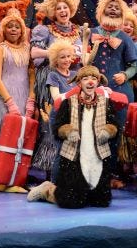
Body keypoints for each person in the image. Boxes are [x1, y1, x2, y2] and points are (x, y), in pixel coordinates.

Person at [31, 0, 83, 174]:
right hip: (51, 79)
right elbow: (34, 54)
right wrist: (56, 54)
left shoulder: (78, 31)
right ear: (53, 11)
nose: (63, 11)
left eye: (65, 7)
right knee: (51, 122)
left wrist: (78, 56)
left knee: (72, 122)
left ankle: (71, 167)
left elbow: (83, 56)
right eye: (59, 8)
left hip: (72, 79)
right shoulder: (44, 30)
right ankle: (50, 170)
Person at [47, 66, 119, 208]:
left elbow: (114, 124)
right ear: (79, 82)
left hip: (97, 154)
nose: (90, 82)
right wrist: (68, 131)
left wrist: (108, 131)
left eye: (94, 79)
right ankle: (46, 191)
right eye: (85, 79)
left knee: (100, 202)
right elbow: (58, 127)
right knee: (71, 202)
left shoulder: (106, 102)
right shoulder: (68, 102)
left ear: (98, 82)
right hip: (74, 155)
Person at [85, 0, 137, 188]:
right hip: (92, 90)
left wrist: (125, 75)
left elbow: (133, 66)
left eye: (117, 8)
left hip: (119, 92)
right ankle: (92, 172)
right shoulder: (90, 33)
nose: (113, 10)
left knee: (115, 132)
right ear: (101, 10)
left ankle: (113, 173)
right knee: (91, 131)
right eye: (110, 7)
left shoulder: (124, 38)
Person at [0, 9, 36, 193]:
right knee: (0, 136)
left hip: (23, 96)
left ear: (22, 30)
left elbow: (31, 75)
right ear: (4, 29)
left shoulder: (27, 49)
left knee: (19, 138)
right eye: (10, 26)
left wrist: (31, 98)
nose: (14, 30)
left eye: (17, 27)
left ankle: (15, 179)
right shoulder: (0, 49)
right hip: (2, 97)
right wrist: (9, 101)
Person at [45, 40, 78, 182]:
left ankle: (70, 182)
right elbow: (57, 99)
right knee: (61, 150)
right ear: (55, 60)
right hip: (59, 117)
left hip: (75, 116)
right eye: (62, 57)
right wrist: (74, 92)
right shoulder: (53, 76)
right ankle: (55, 183)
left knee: (75, 150)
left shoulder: (75, 74)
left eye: (68, 56)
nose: (66, 60)